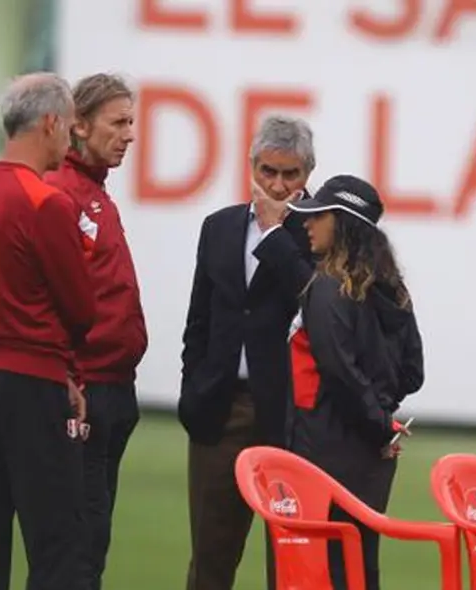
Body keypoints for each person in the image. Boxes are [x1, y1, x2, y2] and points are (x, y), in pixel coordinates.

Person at [0, 72, 97, 590]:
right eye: (70, 126)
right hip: (29, 380)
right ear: (51, 123)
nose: (72, 138)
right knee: (57, 538)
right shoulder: (44, 202)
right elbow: (80, 306)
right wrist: (66, 369)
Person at [178, 115, 316, 590]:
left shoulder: (319, 234)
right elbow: (199, 321)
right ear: (251, 166)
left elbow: (317, 301)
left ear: (307, 175)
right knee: (211, 558)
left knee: (292, 558)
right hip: (221, 410)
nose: (276, 184)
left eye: (289, 173)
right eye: (267, 171)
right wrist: (193, 390)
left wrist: (278, 234)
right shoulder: (218, 228)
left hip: (288, 416)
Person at [285, 174, 425, 590]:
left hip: (322, 450)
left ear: (343, 223)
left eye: (318, 216)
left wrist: (377, 423)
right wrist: (381, 419)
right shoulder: (393, 288)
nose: (306, 225)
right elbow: (413, 373)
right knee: (360, 570)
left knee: (316, 572)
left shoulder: (327, 287)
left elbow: (340, 373)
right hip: (371, 456)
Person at [43, 72, 148, 590]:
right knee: (76, 546)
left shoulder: (93, 194)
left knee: (89, 540)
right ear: (79, 125)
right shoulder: (62, 194)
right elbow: (44, 298)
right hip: (83, 391)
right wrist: (67, 375)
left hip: (111, 388)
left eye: (132, 122)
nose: (130, 134)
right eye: (119, 122)